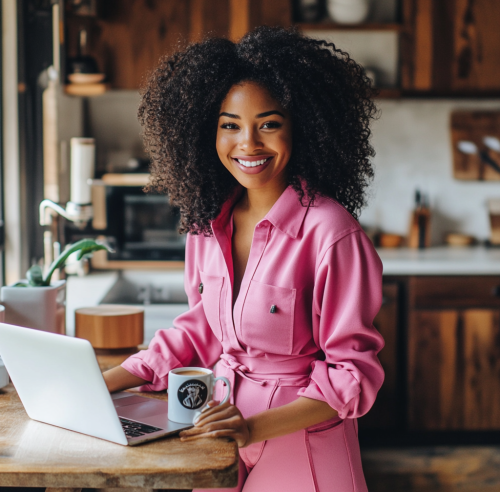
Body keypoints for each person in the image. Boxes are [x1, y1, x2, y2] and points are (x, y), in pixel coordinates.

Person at [103, 26, 384, 492]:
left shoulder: (332, 234)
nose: (248, 143)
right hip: (218, 430)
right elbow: (199, 329)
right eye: (229, 125)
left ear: (302, 126)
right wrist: (102, 384)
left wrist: (253, 428)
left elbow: (352, 377)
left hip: (302, 444)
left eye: (269, 123)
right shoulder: (208, 224)